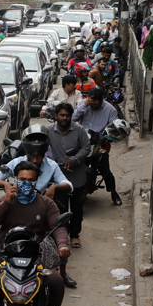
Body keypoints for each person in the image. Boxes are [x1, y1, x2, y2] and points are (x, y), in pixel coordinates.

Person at [0, 161, 71, 306]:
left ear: (36, 181)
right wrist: (6, 203)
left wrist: (62, 245)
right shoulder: (2, 201)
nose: (25, 183)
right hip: (5, 256)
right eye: (22, 179)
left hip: (35, 258)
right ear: (15, 179)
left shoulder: (46, 204)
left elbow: (59, 227)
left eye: (30, 180)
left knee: (56, 281)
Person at [46, 102, 91, 280]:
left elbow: (86, 148)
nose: (64, 118)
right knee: (61, 209)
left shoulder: (79, 130)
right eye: (61, 115)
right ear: (56, 116)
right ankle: (62, 237)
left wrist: (75, 159)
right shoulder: (48, 130)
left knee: (77, 207)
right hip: (58, 178)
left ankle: (75, 235)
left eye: (67, 115)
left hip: (77, 176)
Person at [73, 87, 120, 205]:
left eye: (96, 102)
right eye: (91, 101)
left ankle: (114, 193)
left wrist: (107, 137)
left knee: (104, 168)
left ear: (101, 100)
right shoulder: (84, 104)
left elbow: (114, 126)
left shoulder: (110, 109)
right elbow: (73, 119)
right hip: (83, 139)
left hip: (100, 141)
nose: (93, 104)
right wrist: (85, 105)